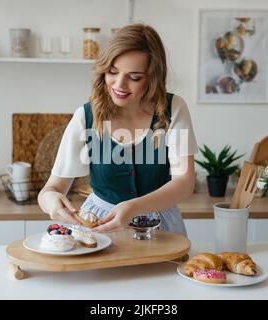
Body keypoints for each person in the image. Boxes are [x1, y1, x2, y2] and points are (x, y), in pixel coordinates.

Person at [38, 23, 198, 236]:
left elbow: (184, 184)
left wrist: (134, 207)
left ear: (152, 78)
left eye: (134, 77)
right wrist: (52, 203)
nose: (119, 84)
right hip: (100, 228)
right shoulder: (86, 117)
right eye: (112, 72)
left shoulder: (173, 110)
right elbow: (51, 190)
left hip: (160, 227)